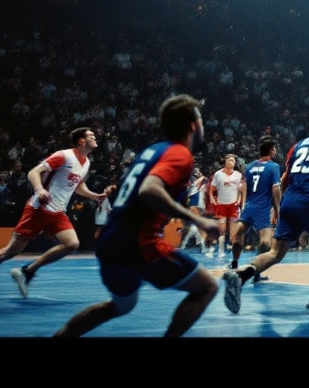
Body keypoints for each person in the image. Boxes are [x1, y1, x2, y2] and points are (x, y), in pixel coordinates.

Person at [53, 95, 222, 337]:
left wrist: (183, 214)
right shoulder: (180, 154)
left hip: (111, 239)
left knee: (121, 305)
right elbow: (149, 190)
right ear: (193, 125)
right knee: (206, 287)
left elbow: (131, 191)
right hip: (137, 242)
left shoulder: (151, 151)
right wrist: (197, 219)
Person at [221, 104, 309, 315]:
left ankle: (241, 274)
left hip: (290, 201)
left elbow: (285, 179)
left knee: (276, 252)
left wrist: (279, 207)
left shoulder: (297, 146)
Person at [0, 127, 116, 302]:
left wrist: (95, 196)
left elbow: (78, 186)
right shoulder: (63, 156)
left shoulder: (86, 163)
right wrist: (39, 189)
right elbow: (34, 172)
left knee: (72, 244)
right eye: (91, 136)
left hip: (58, 212)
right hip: (39, 208)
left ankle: (27, 271)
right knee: (9, 252)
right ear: (81, 141)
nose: (96, 137)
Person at [231, 137, 281, 276]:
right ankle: (256, 270)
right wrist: (278, 210)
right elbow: (276, 189)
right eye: (274, 149)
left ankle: (234, 264)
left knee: (238, 235)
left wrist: (243, 205)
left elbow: (245, 186)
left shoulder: (250, 166)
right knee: (266, 242)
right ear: (271, 150)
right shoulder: (274, 166)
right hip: (262, 208)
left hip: (248, 206)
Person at [208, 153, 243, 264]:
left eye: (233, 160)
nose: (232, 162)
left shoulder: (238, 175)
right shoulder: (218, 174)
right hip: (221, 205)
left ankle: (231, 249)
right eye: (230, 160)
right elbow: (212, 188)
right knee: (222, 228)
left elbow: (240, 190)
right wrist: (213, 200)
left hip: (233, 206)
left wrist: (239, 200)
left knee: (233, 232)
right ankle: (221, 250)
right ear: (225, 162)